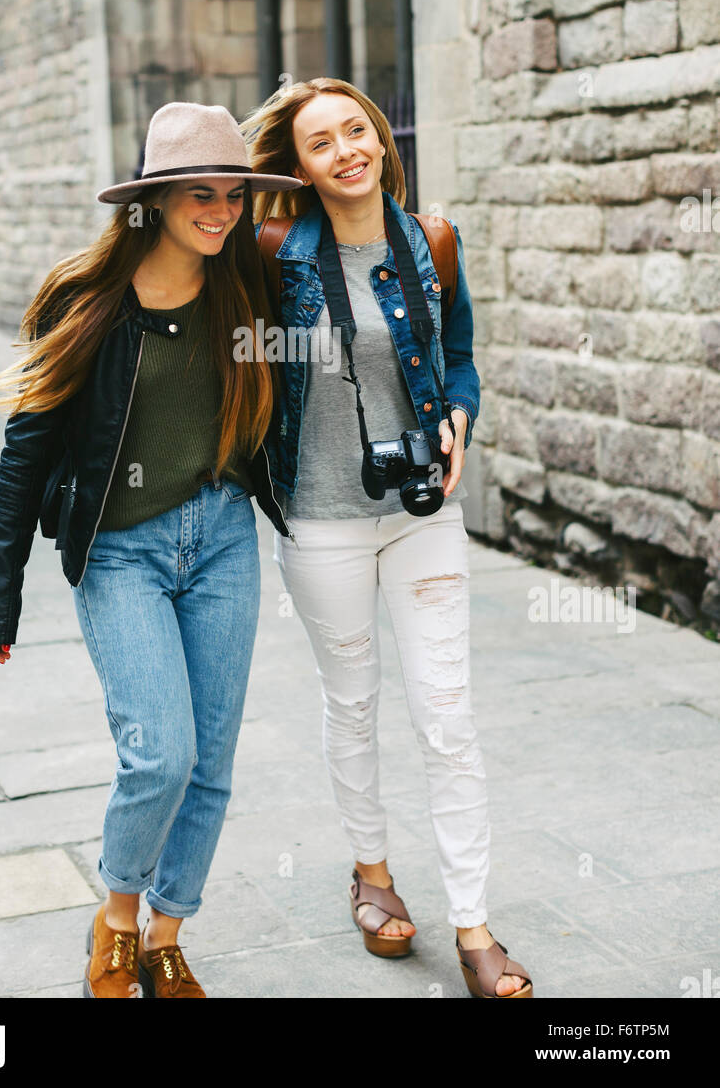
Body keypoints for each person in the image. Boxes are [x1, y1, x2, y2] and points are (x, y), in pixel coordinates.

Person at [0, 102, 301, 999]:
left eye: (234, 195)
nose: (221, 211)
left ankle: (167, 935)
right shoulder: (89, 302)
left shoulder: (248, 289)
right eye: (201, 194)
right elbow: (25, 451)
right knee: (161, 752)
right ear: (154, 199)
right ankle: (116, 922)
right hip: (122, 552)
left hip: (223, 538)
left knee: (213, 759)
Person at [243, 78, 533, 999]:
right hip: (320, 517)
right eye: (320, 142)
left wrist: (458, 417)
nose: (345, 151)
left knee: (447, 718)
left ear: (379, 137)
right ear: (298, 167)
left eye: (355, 130)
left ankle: (474, 925)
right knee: (356, 703)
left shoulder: (431, 240)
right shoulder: (271, 250)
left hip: (419, 520)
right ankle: (371, 874)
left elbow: (459, 357)